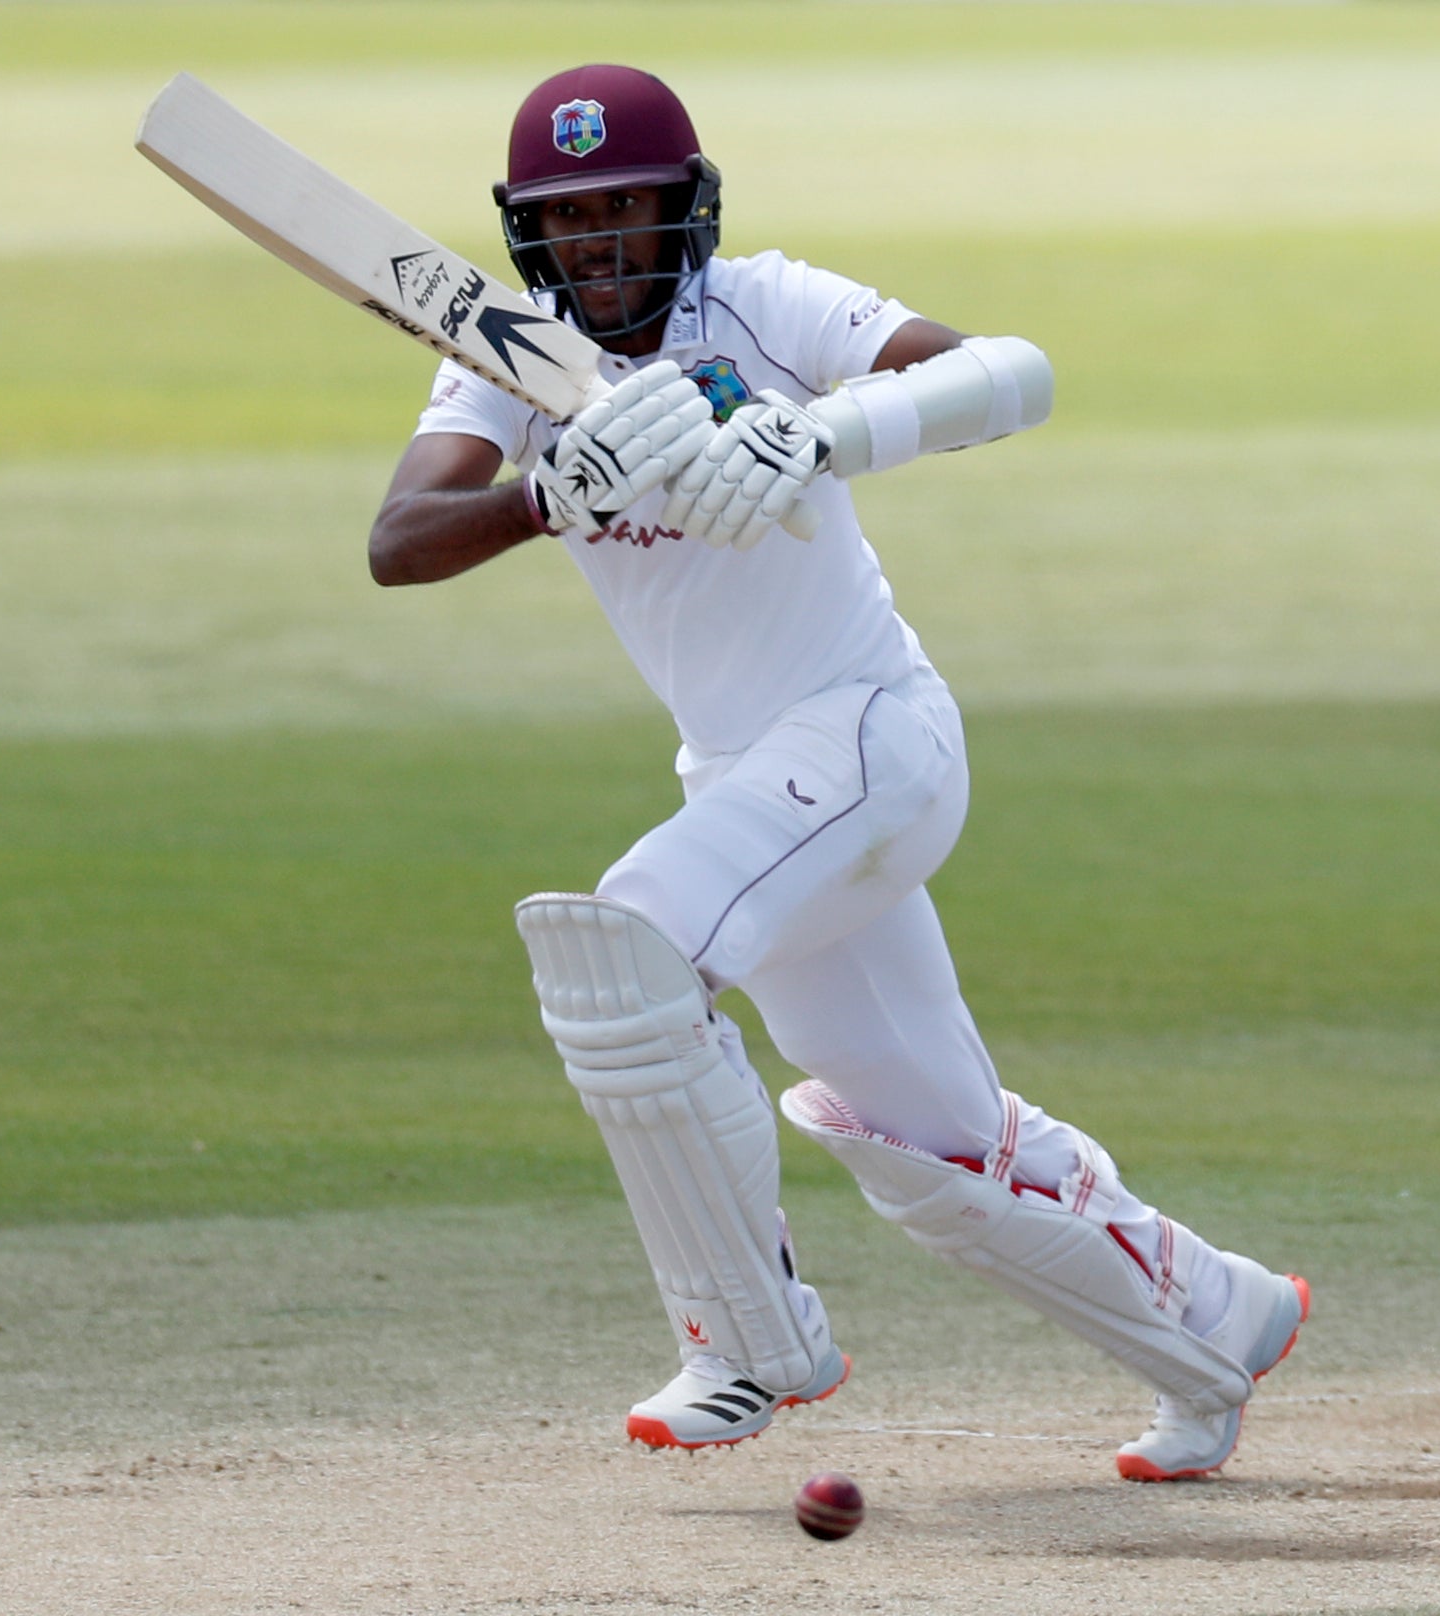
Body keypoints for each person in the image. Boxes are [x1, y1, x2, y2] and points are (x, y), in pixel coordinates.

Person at [367, 64, 1307, 1483]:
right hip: (749, 784)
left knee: (625, 948)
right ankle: (1213, 1322)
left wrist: (815, 429)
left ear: (686, 211)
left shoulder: (762, 304)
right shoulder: (508, 356)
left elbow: (1008, 375)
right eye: (572, 221)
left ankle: (750, 1339)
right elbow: (399, 538)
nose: (604, 245)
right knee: (940, 1146)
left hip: (870, 738)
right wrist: (546, 497)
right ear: (528, 237)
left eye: (630, 209)